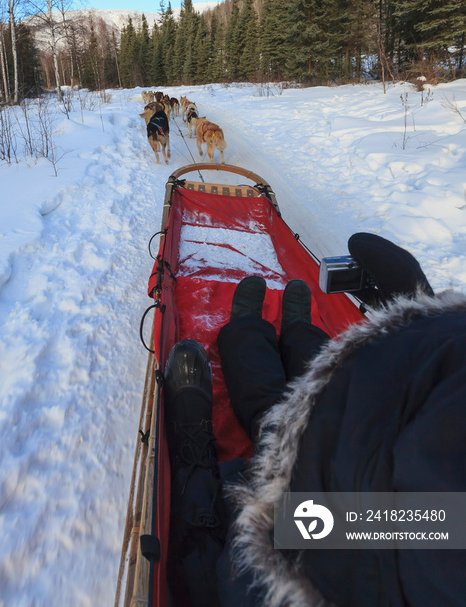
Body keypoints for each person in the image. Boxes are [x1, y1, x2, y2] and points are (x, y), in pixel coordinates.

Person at [164, 233, 466, 607]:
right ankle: (299, 330)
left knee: (273, 423)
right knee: (324, 391)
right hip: (408, 516)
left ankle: (244, 332)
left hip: (333, 561)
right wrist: (427, 332)